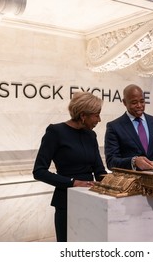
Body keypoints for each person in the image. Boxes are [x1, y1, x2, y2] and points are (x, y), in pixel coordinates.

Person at [32, 92, 107, 242]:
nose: (99, 119)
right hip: (66, 203)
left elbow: (99, 171)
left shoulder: (91, 135)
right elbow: (39, 171)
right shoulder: (55, 132)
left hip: (92, 200)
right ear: (83, 115)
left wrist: (117, 181)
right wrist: (73, 182)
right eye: (96, 115)